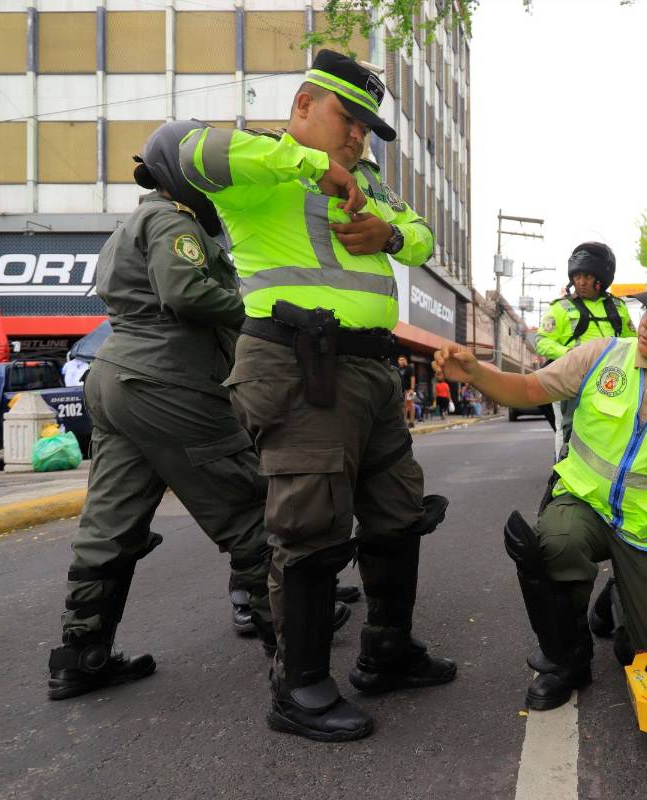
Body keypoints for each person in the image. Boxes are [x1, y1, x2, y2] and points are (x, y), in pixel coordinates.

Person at [180, 49, 457, 742]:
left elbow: (420, 240)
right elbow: (174, 146)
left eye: (367, 126)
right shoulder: (258, 167)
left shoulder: (370, 184)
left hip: (372, 372)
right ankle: (298, 685)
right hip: (300, 366)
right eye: (347, 119)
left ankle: (387, 651)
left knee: (397, 513)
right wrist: (310, 165)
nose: (358, 136)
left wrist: (386, 231)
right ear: (303, 106)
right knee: (310, 524)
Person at [45, 121, 350, 701]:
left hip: (117, 379)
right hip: (170, 383)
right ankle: (287, 646)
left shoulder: (127, 226)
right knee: (246, 505)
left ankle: (82, 654)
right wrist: (257, 307)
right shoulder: (170, 220)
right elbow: (185, 292)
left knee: (110, 522)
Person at [435, 262, 647, 711]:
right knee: (555, 544)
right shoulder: (601, 356)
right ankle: (566, 659)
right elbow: (529, 388)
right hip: (583, 503)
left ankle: (617, 601)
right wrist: (475, 373)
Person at [534, 243, 637, 459]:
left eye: (587, 277)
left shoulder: (618, 307)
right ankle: (561, 473)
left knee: (613, 428)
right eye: (577, 276)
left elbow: (633, 342)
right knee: (567, 429)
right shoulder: (560, 307)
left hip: (612, 379)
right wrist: (571, 355)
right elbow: (542, 342)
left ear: (601, 279)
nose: (580, 282)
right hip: (571, 378)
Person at [396, 354, 416, 427]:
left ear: (406, 360)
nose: (401, 361)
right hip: (402, 390)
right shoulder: (398, 369)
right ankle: (404, 422)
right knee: (404, 406)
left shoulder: (409, 368)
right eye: (400, 360)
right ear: (398, 361)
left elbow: (412, 378)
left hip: (409, 390)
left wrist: (412, 389)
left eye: (403, 360)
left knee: (410, 405)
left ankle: (412, 422)